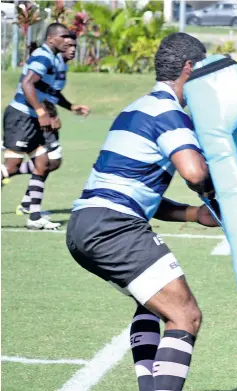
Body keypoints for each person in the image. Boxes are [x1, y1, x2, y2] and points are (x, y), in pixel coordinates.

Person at [66, 33, 219, 391]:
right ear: (189, 69)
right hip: (113, 227)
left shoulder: (136, 108)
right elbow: (194, 173)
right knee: (185, 314)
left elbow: (137, 191)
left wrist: (195, 215)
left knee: (151, 305)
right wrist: (215, 193)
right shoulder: (169, 112)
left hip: (84, 224)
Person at [1, 23, 74, 230]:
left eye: (69, 37)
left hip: (30, 117)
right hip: (21, 117)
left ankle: (34, 217)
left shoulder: (52, 58)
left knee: (43, 163)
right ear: (51, 39)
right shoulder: (43, 56)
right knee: (12, 167)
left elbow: (45, 89)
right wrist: (42, 113)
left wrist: (64, 108)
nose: (68, 41)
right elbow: (27, 84)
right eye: (63, 37)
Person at [16, 34, 89, 216]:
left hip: (42, 114)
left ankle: (26, 200)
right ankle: (21, 193)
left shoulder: (60, 63)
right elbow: (36, 89)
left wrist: (70, 106)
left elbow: (53, 92)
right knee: (50, 161)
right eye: (69, 45)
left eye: (75, 46)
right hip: (38, 115)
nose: (72, 49)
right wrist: (49, 113)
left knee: (49, 162)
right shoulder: (52, 61)